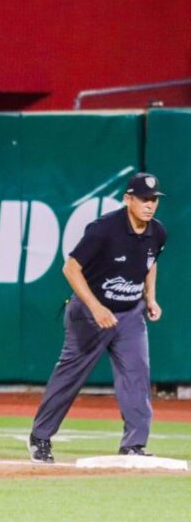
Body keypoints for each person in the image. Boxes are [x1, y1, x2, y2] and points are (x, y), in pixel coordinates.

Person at [29, 172, 166, 464]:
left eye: (154, 199)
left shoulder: (158, 232)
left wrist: (150, 298)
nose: (149, 205)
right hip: (89, 315)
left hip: (130, 314)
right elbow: (70, 268)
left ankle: (134, 445)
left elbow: (150, 263)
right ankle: (40, 437)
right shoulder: (104, 229)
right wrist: (95, 307)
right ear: (128, 199)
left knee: (137, 375)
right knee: (70, 376)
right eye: (143, 199)